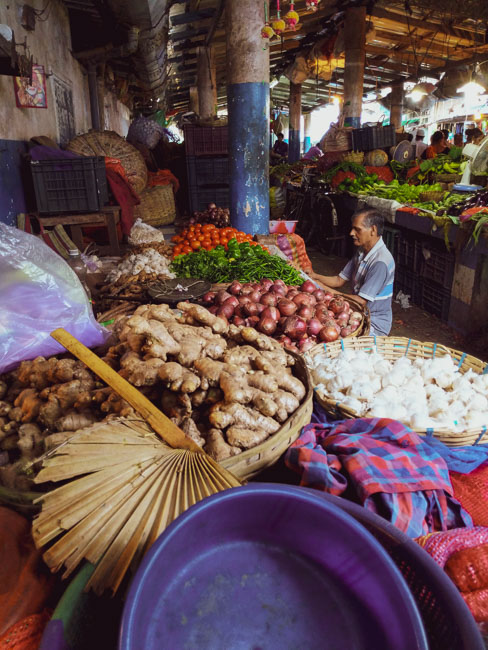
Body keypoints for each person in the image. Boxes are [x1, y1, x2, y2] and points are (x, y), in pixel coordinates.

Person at [310, 209, 395, 336]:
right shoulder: (362, 252)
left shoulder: (380, 262)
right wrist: (314, 276)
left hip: (373, 324)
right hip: (357, 314)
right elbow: (339, 280)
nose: (351, 233)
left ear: (373, 230)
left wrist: (322, 288)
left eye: (357, 229)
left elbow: (360, 301)